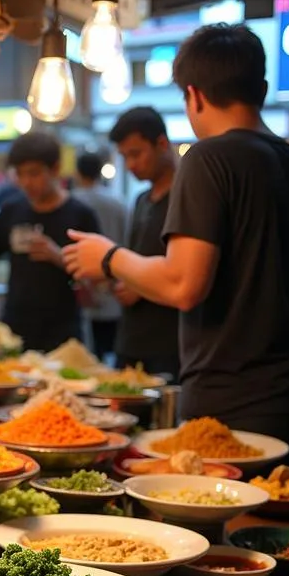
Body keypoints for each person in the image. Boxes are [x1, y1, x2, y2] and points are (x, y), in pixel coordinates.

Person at [63, 24, 289, 476]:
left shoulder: (209, 159)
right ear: (262, 89)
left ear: (193, 95)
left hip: (232, 407)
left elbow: (184, 284)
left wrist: (109, 257)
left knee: (227, 543)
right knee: (275, 534)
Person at [0, 132, 100, 352]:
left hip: (63, 332)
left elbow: (96, 281)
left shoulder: (80, 215)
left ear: (55, 169)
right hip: (14, 328)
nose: (26, 182)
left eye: (34, 173)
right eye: (19, 174)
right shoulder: (11, 210)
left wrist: (57, 256)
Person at [106, 107, 181, 379]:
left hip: (170, 344)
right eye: (125, 157)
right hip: (130, 340)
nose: (130, 165)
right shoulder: (140, 200)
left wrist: (140, 284)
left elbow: (185, 274)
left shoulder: (186, 197)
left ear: (162, 144)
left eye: (136, 154)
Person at [71, 151, 126, 361]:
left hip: (84, 284)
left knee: (87, 355)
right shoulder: (117, 202)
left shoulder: (74, 201)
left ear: (78, 172)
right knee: (111, 350)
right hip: (115, 281)